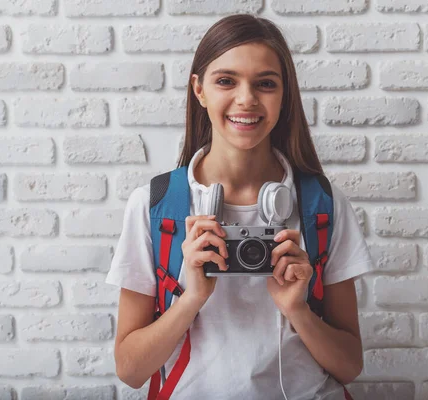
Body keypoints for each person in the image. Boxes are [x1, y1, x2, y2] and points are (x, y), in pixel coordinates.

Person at [106, 14, 373, 400]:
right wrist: (191, 298)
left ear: (285, 95)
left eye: (265, 84)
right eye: (226, 81)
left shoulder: (321, 206)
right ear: (199, 90)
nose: (246, 99)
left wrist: (298, 310)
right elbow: (130, 371)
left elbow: (349, 366)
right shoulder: (155, 207)